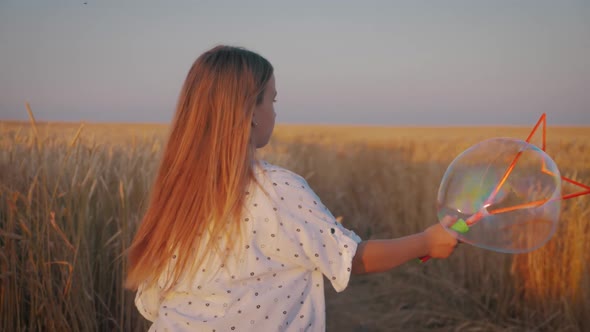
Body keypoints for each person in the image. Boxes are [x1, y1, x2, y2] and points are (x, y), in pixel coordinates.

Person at [125, 45, 458, 332]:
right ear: (250, 114)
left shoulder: (175, 197)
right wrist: (427, 241)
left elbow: (153, 300)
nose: (274, 110)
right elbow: (350, 259)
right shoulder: (278, 190)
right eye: (272, 99)